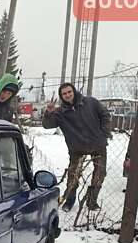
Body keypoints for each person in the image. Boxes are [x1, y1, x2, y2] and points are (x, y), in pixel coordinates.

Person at [42, 82, 112, 211]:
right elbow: (48, 125)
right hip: (77, 148)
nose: (67, 95)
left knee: (100, 173)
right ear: (61, 96)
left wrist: (104, 133)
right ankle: (69, 201)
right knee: (73, 175)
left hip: (98, 144)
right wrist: (48, 113)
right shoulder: (60, 112)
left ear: (73, 91)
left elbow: (105, 114)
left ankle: (92, 201)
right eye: (64, 93)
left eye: (69, 92)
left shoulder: (90, 102)